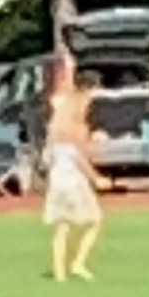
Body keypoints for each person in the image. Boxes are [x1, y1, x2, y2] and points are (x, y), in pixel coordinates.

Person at [42, 62, 103, 282]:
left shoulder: (60, 112)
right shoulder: (78, 116)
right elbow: (78, 155)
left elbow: (51, 150)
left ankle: (59, 272)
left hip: (57, 176)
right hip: (73, 178)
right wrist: (96, 178)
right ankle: (78, 263)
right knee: (95, 221)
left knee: (62, 227)